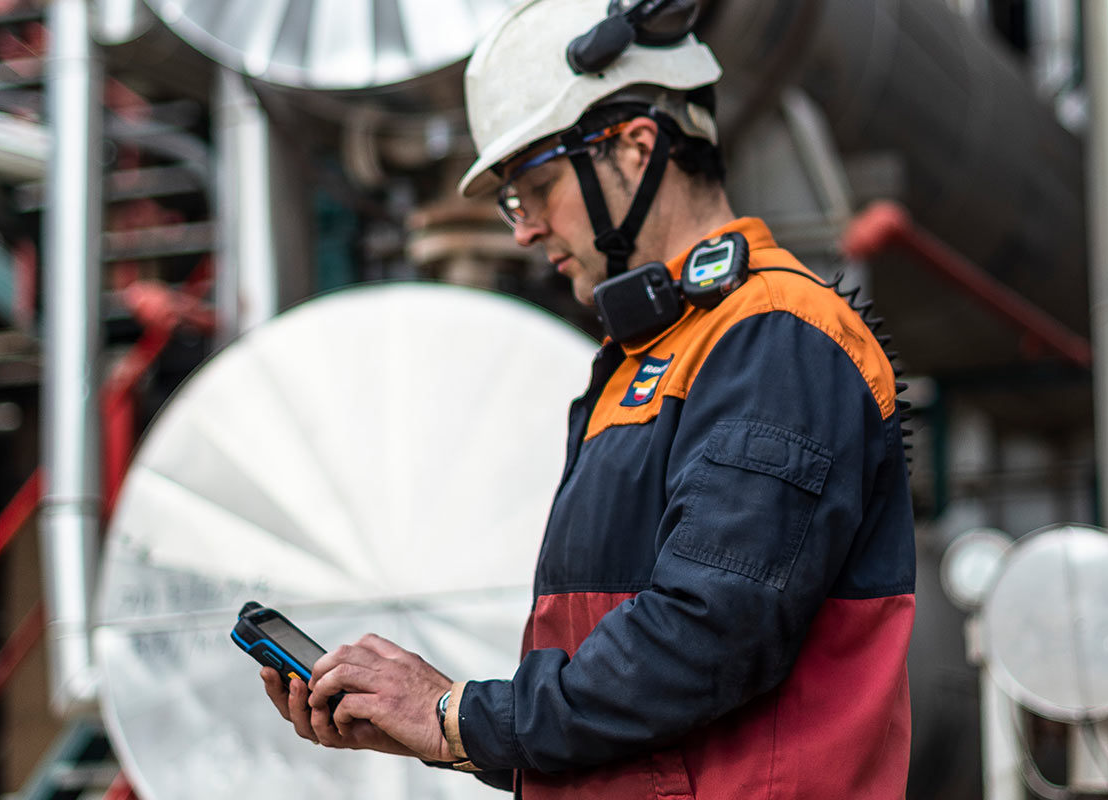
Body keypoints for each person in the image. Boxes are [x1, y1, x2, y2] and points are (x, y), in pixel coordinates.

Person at [261, 0, 917, 796]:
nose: (525, 230)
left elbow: (706, 636)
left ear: (636, 148)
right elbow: (627, 722)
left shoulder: (773, 338)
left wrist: (453, 714)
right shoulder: (647, 356)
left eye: (534, 188)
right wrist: (439, 729)